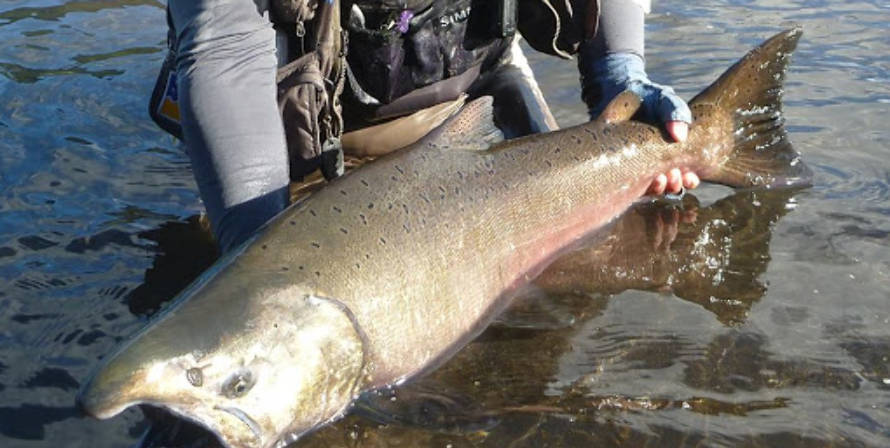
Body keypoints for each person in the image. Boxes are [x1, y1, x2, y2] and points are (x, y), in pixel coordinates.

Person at [154, 0, 699, 254]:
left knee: (573, 266)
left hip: (480, 90)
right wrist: (257, 258)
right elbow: (226, 55)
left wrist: (618, 75)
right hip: (300, 131)